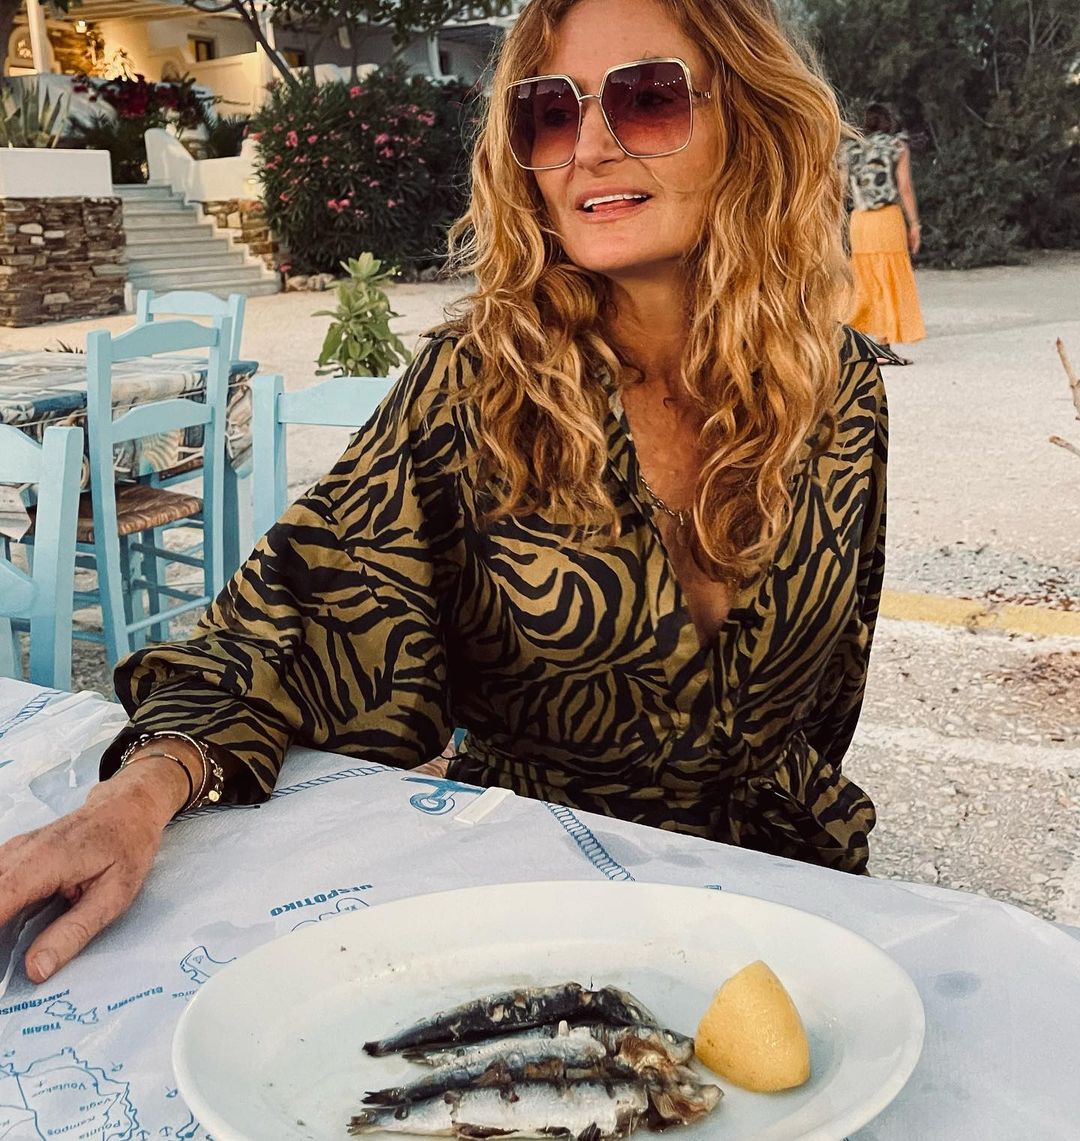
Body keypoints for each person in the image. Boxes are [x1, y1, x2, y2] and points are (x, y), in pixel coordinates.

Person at [0, 0, 887, 987]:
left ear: (749, 120)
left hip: (789, 899)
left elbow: (830, 693)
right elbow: (284, 623)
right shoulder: (479, 388)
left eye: (646, 98)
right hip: (543, 908)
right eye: (550, 113)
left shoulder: (841, 388)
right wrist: (134, 799)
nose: (590, 146)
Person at [842, 102, 926, 364]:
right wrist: (914, 224)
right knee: (887, 279)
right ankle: (883, 345)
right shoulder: (897, 146)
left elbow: (841, 189)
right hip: (887, 219)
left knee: (863, 279)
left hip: (860, 221)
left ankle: (852, 340)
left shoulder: (851, 149)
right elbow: (904, 187)